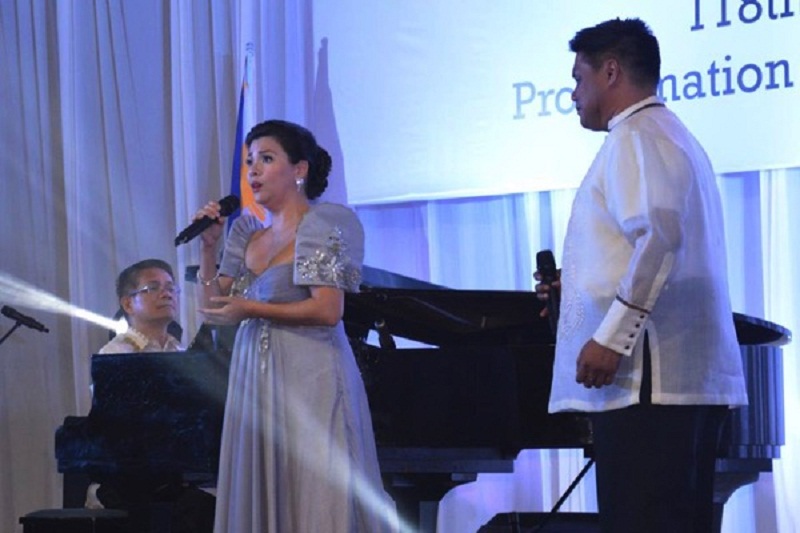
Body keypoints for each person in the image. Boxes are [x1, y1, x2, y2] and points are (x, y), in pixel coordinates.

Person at [535, 18, 748, 533]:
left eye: (578, 79)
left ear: (611, 72)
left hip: (646, 383)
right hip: (665, 380)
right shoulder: (662, 133)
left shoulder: (636, 136)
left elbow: (657, 238)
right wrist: (581, 286)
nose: (574, 95)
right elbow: (653, 241)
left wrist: (610, 337)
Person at [192, 119, 396, 532]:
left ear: (299, 169)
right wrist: (209, 248)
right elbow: (214, 305)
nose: (253, 171)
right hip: (257, 376)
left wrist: (250, 309)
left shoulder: (323, 224)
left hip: (310, 373)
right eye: (250, 161)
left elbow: (327, 311)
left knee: (315, 490)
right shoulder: (247, 235)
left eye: (266, 159)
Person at [99, 258, 183, 354]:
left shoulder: (179, 349)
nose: (167, 294)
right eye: (153, 288)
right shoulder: (115, 353)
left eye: (170, 288)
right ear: (128, 304)